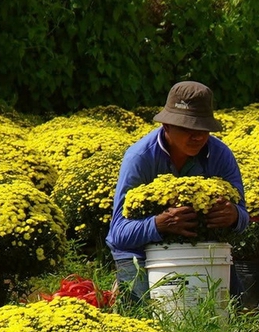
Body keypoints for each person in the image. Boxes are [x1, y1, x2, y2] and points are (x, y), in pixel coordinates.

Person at [107, 81, 249, 298]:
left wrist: (233, 216)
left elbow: (244, 217)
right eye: (187, 128)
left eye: (203, 129)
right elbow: (118, 234)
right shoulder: (140, 158)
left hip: (203, 250)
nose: (198, 137)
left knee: (233, 310)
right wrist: (159, 224)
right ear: (166, 126)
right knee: (146, 312)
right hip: (140, 252)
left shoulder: (220, 155)